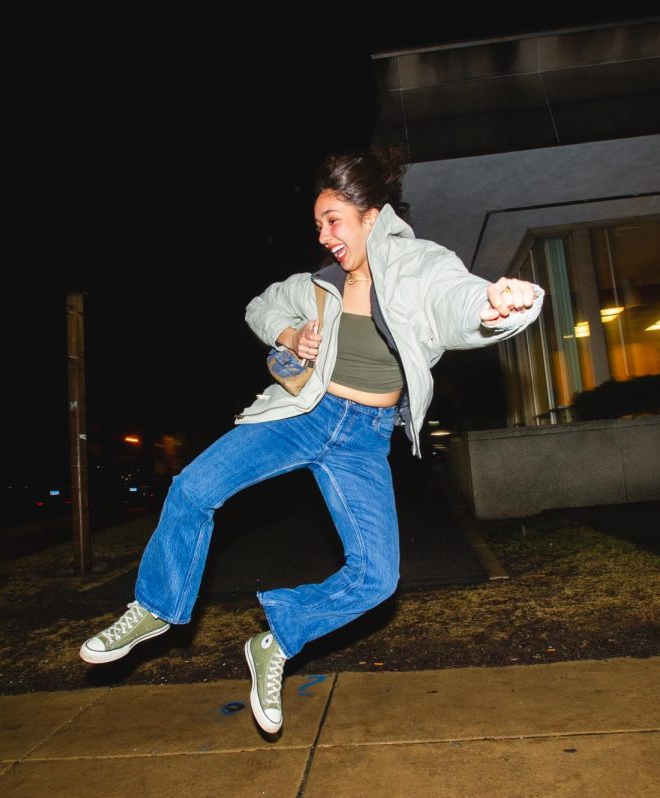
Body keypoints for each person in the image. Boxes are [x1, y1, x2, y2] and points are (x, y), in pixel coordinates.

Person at [80, 150, 543, 735]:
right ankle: (154, 609)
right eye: (318, 224)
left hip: (365, 439)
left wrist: (492, 306)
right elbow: (261, 306)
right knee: (193, 488)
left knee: (376, 579)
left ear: (371, 216)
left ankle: (276, 641)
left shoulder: (420, 266)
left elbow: (455, 300)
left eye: (333, 221)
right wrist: (289, 333)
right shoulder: (318, 285)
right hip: (303, 415)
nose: (323, 235)